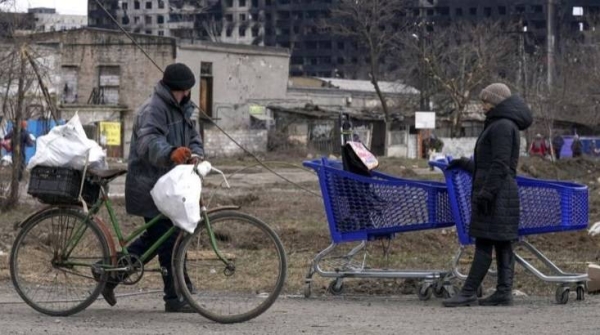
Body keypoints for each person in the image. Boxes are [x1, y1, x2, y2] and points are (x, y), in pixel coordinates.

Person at [96, 63, 204, 313]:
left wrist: (196, 154)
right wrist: (171, 153)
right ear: (173, 89)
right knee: (168, 240)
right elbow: (148, 143)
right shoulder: (153, 110)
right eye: (184, 90)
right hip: (149, 185)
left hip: (170, 186)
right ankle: (174, 297)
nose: (187, 95)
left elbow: (194, 138)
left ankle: (109, 275)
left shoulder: (182, 109)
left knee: (159, 239)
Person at [442, 83, 532, 307]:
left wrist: (486, 194)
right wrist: (465, 163)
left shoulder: (501, 125)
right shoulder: (501, 124)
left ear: (496, 102)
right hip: (501, 192)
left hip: (497, 194)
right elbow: (489, 164)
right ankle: (504, 292)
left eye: (485, 101)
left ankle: (469, 291)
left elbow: (501, 165)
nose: (482, 105)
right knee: (502, 243)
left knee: (484, 242)